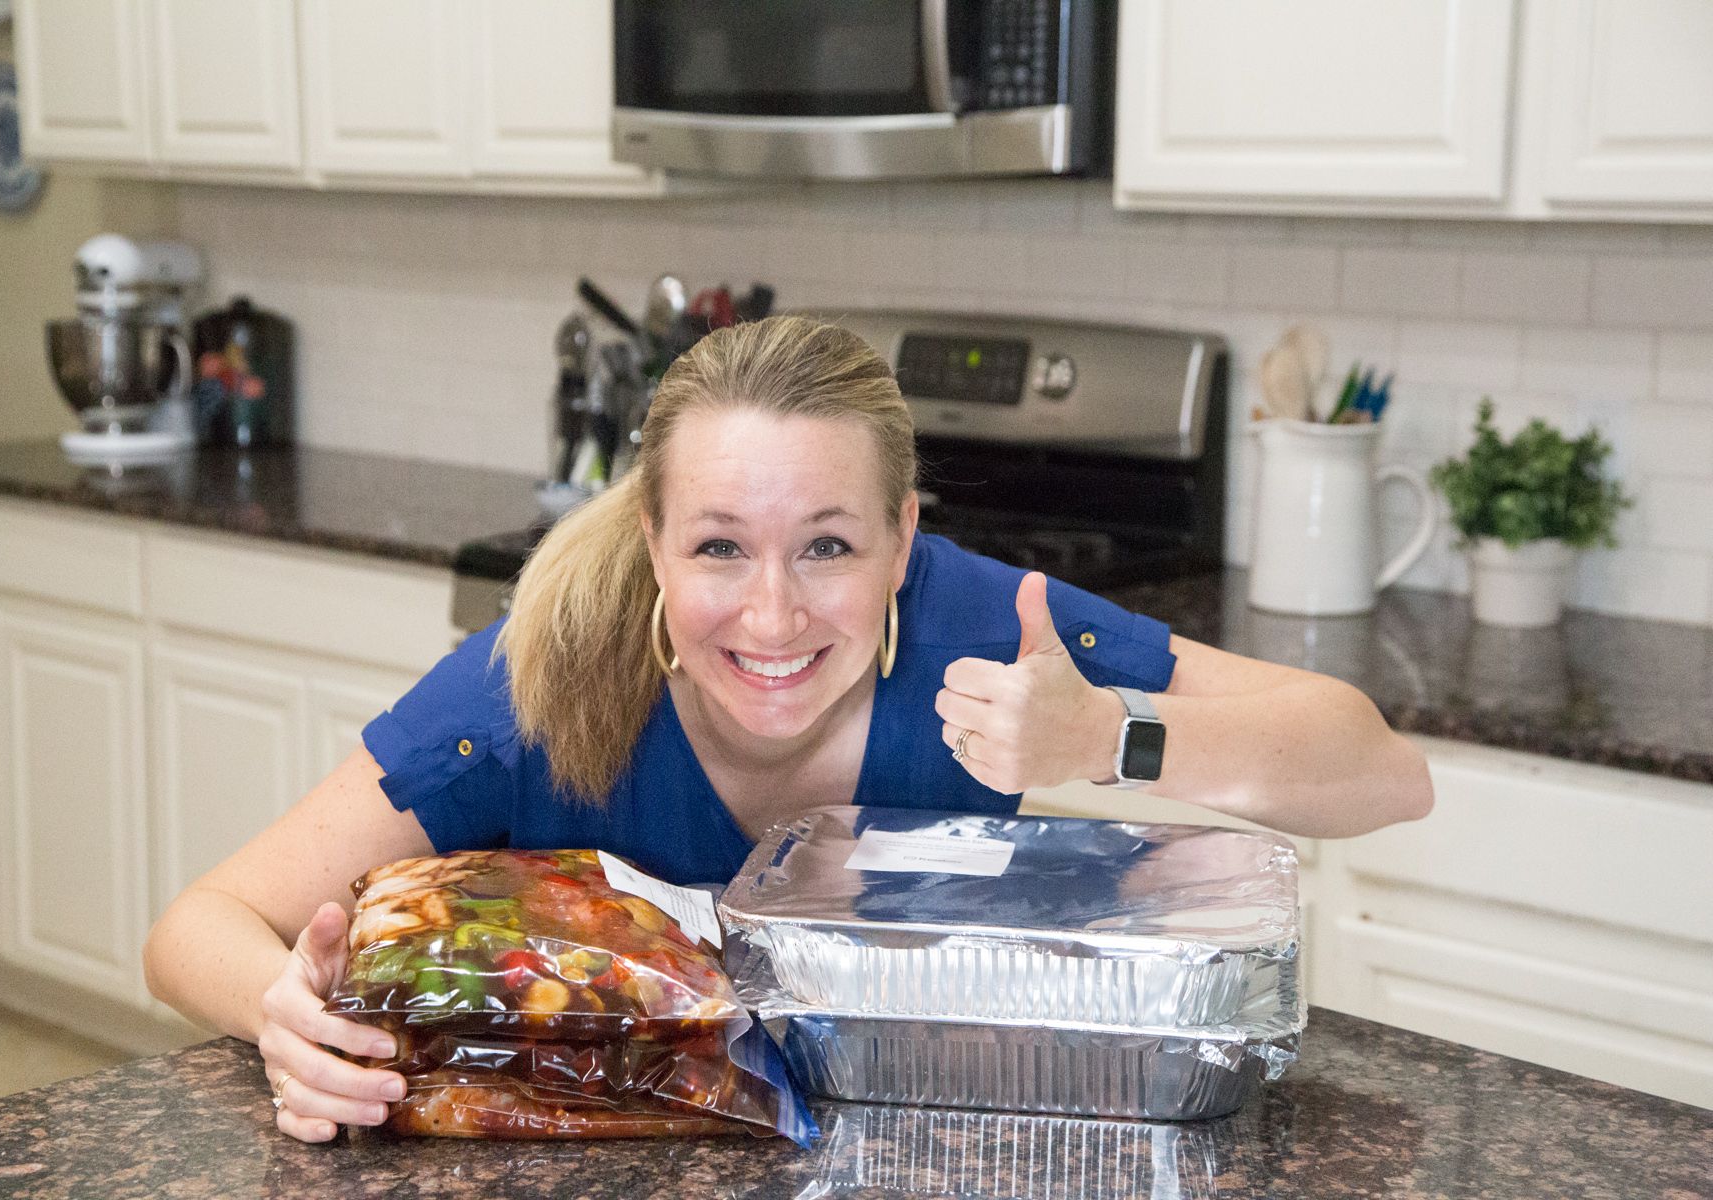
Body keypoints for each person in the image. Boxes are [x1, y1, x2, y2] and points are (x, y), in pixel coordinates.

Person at [144, 315, 1433, 1143]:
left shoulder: (987, 628)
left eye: (828, 546)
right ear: (653, 542)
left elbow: (1383, 776)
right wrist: (288, 1020)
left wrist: (1109, 739)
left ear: (903, 541)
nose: (772, 616)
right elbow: (197, 924)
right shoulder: (527, 689)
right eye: (719, 548)